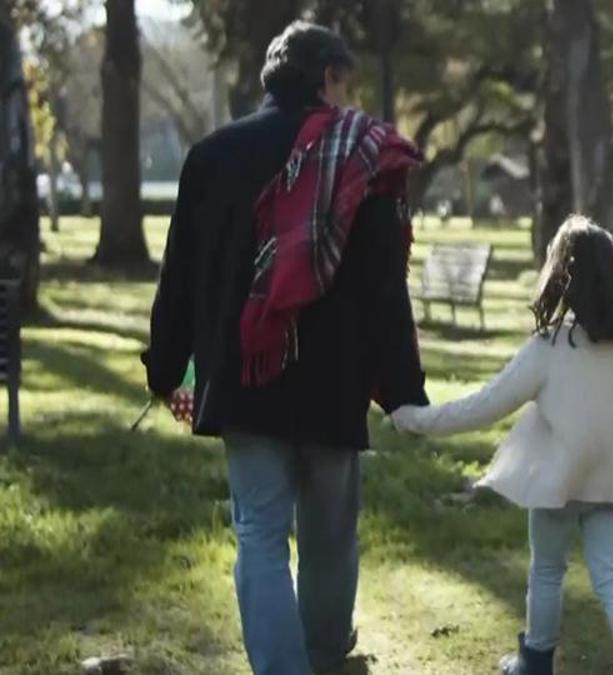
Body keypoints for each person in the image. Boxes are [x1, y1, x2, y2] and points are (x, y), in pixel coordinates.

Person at [143, 22, 428, 675]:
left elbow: (178, 277)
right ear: (327, 75)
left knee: (261, 538)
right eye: (343, 82)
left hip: (246, 381)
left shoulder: (211, 155)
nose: (347, 97)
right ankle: (326, 661)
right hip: (335, 382)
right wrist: (403, 387)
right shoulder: (363, 155)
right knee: (330, 539)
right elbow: (387, 283)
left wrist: (165, 367)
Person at [391, 216, 613, 675]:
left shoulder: (548, 346)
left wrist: (416, 420)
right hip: (610, 483)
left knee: (547, 572)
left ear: (559, 276)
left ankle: (535, 661)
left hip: (555, 482)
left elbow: (485, 404)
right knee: (611, 577)